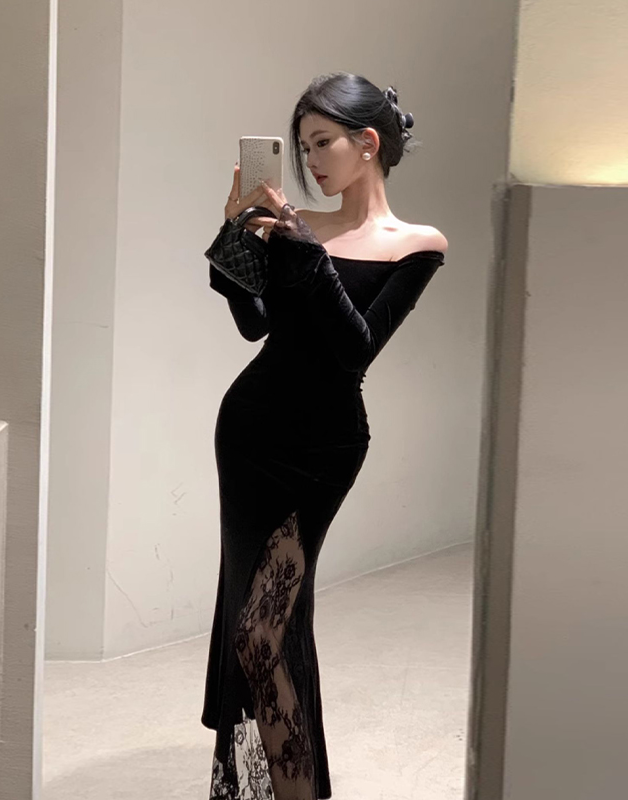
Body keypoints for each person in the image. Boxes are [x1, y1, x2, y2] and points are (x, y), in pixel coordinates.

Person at [202, 72, 448, 800]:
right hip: (250, 432)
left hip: (323, 449)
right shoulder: (297, 227)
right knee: (255, 625)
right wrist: (236, 237)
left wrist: (306, 250)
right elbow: (254, 326)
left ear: (367, 143)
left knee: (266, 628)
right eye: (303, 147)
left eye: (321, 143)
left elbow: (355, 349)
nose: (310, 162)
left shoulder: (417, 244)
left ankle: (297, 790)